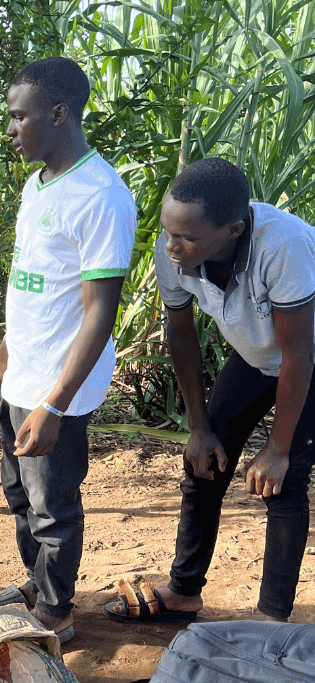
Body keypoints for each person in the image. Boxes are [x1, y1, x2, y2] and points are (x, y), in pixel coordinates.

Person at [105, 158, 315, 624]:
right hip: (259, 355)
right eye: (167, 231)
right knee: (204, 462)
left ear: (234, 230)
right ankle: (183, 592)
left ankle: (271, 618)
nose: (171, 245)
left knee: (283, 483)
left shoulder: (284, 246)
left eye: (187, 237)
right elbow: (180, 333)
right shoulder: (173, 248)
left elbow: (298, 355)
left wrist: (277, 448)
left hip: (309, 359)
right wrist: (198, 427)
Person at [0, 57, 138, 643]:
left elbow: (100, 311)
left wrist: (55, 404)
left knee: (52, 506)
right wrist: (2, 355)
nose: (10, 129)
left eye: (20, 117)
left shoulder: (101, 197)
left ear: (60, 113)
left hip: (57, 385)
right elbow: (29, 281)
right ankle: (36, 584)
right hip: (25, 371)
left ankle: (56, 614)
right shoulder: (36, 183)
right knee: (19, 493)